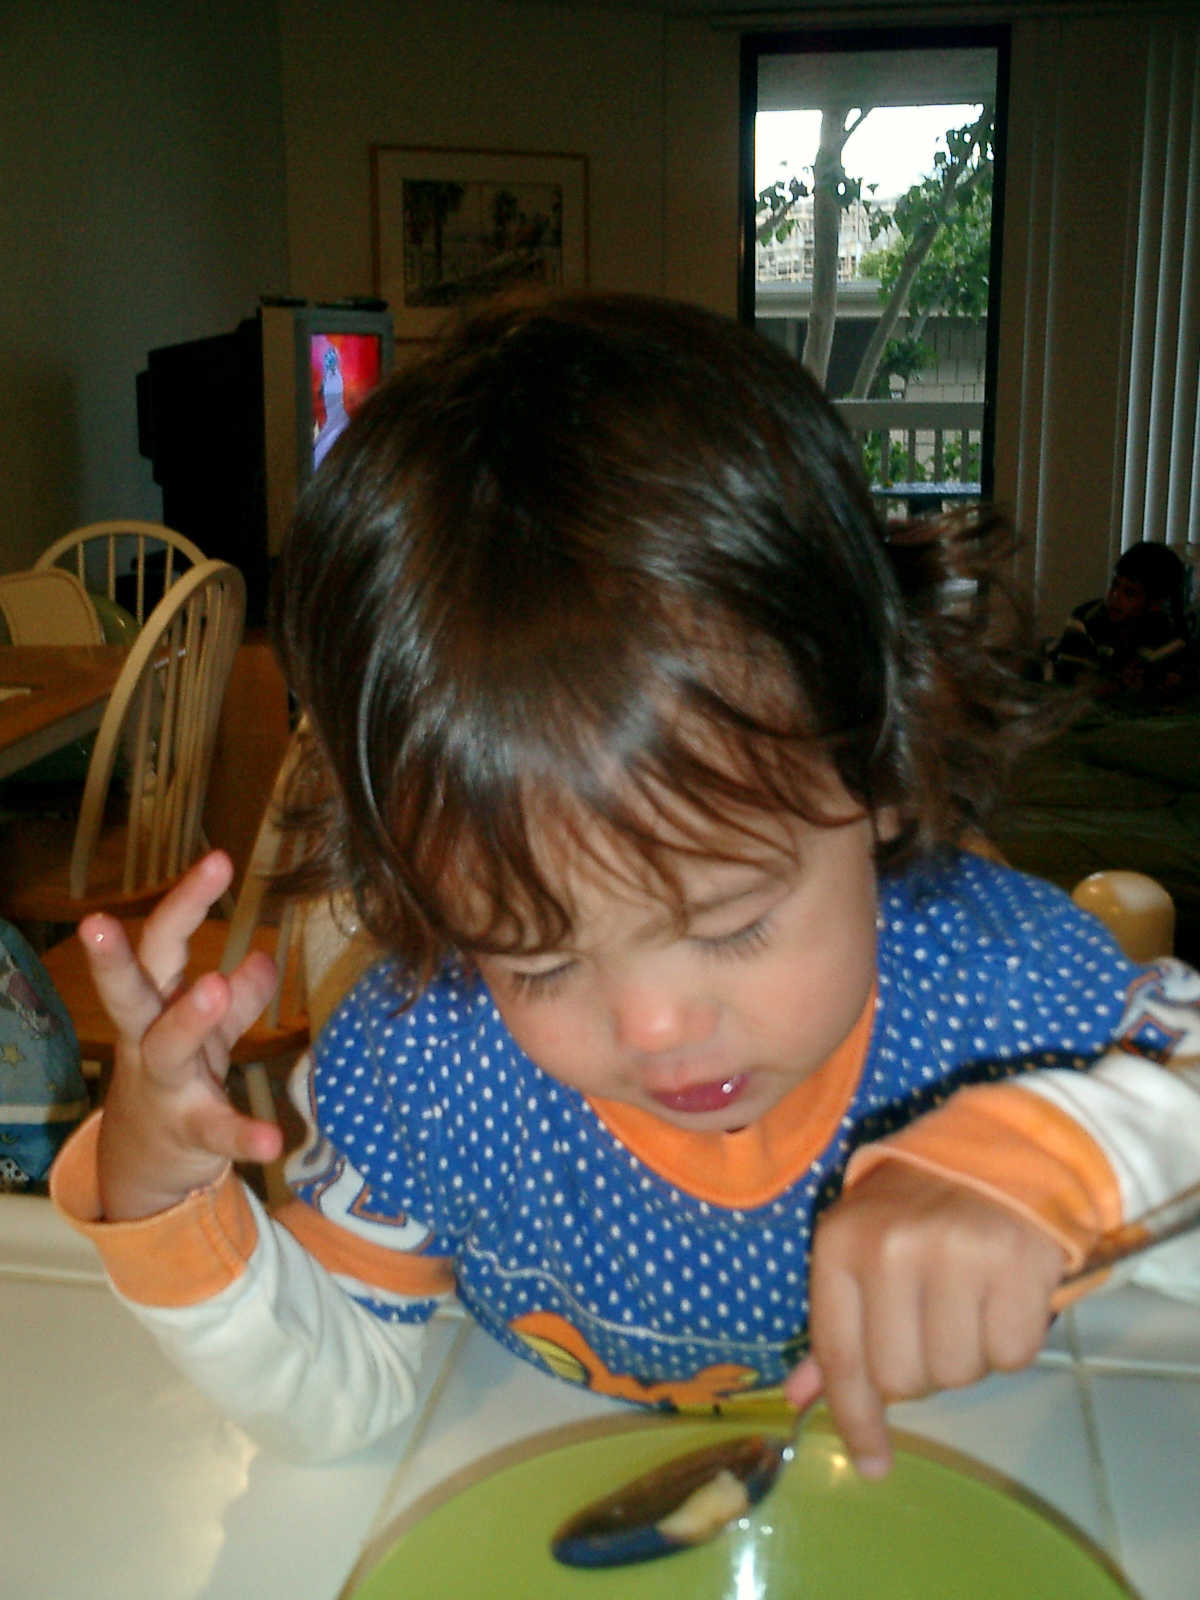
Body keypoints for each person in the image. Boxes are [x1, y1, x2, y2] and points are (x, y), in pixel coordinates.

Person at [50, 291, 1200, 1481]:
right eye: (539, 959)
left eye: (734, 921)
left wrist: (1060, 1161)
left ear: (883, 772)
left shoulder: (998, 990)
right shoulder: (431, 1065)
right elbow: (343, 1406)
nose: (654, 1027)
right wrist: (159, 1197)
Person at [1049, 540, 1194, 701]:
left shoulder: (1168, 635)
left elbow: (1167, 686)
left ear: (1155, 604)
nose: (1115, 597)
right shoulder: (1086, 618)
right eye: (1114, 585)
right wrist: (1121, 685)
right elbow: (1076, 680)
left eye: (1129, 593)